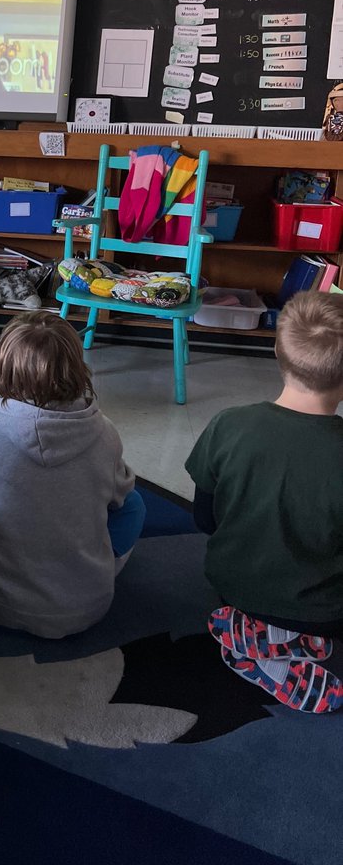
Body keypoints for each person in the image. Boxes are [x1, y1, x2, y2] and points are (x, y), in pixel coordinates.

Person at [0, 311, 145, 638]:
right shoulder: (104, 432)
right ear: (77, 367)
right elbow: (119, 494)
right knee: (134, 504)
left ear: (3, 367)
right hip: (87, 605)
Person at [185, 291, 343, 714]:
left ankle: (260, 632)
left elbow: (204, 518)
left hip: (228, 585)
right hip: (322, 610)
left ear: (277, 350)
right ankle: (276, 649)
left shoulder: (227, 425)